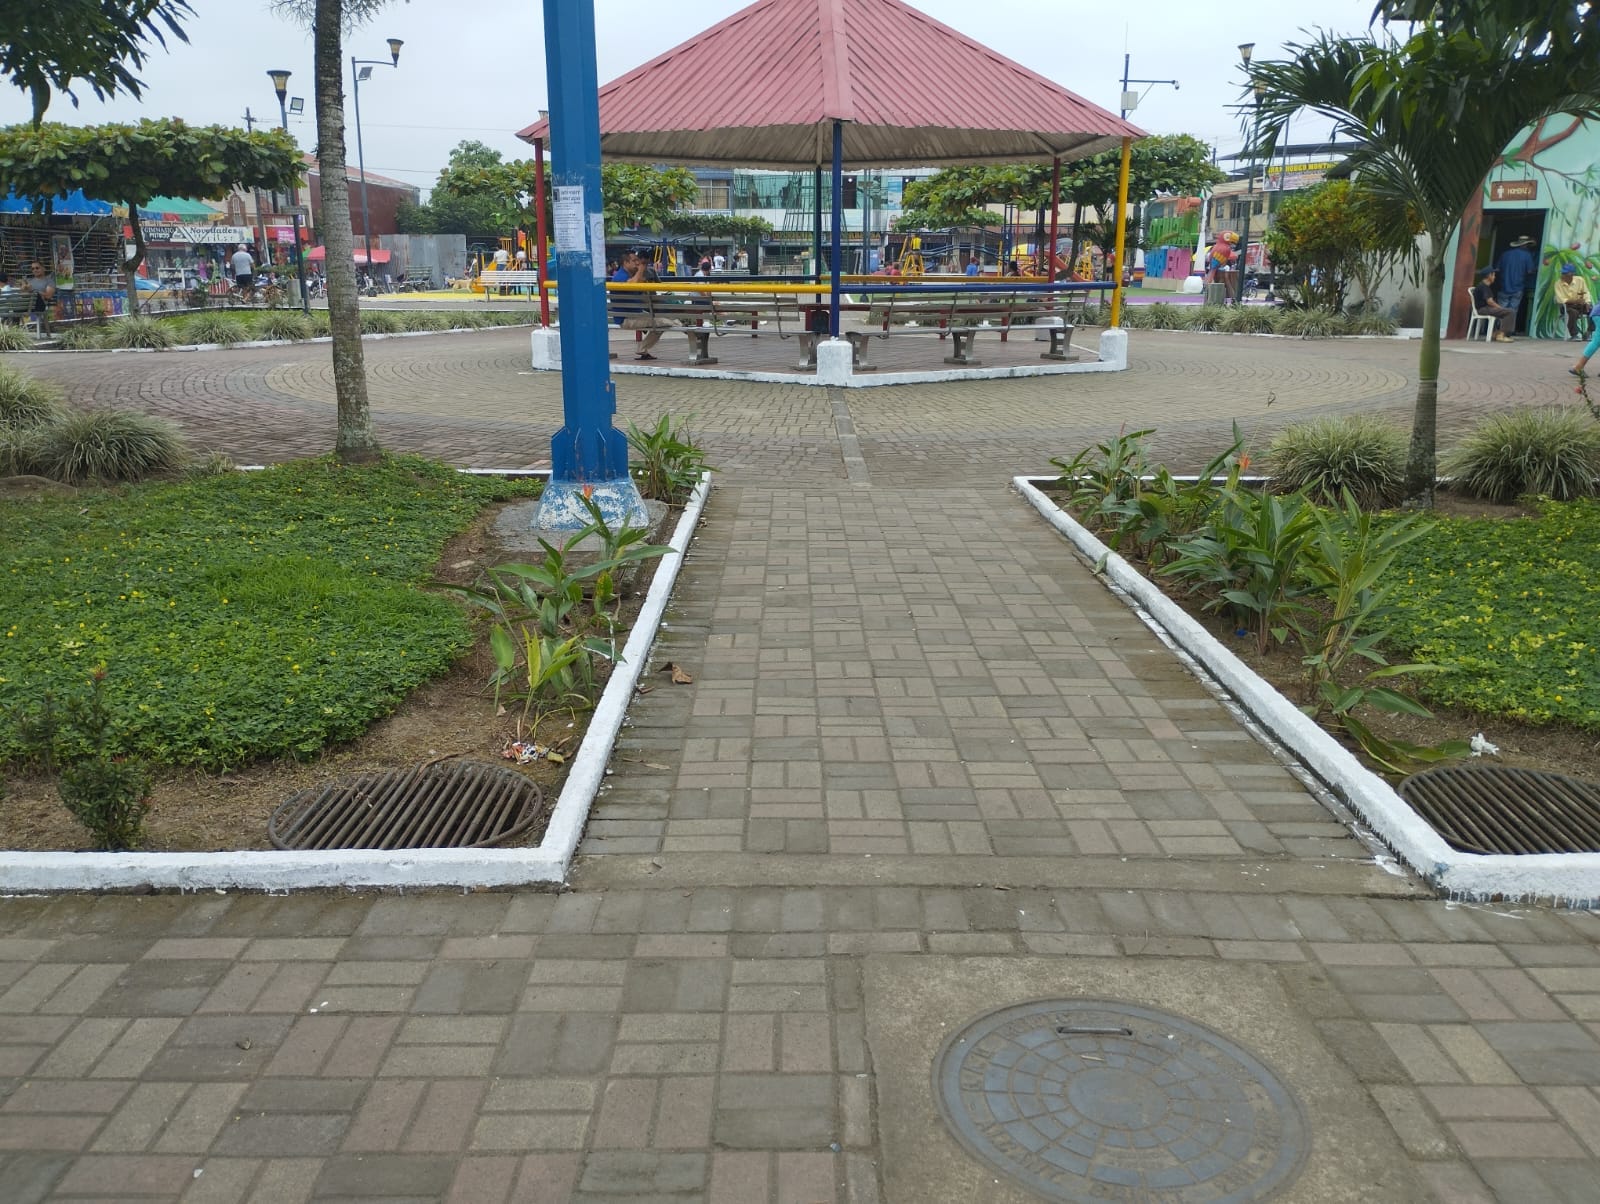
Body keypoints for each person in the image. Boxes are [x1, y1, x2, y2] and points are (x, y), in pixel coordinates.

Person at [1495, 234, 1536, 331]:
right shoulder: (1527, 255)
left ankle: (1498, 329)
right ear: (1525, 245)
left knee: (1501, 309)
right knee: (1512, 311)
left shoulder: (1505, 254)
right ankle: (1508, 331)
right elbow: (1530, 271)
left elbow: (1497, 269)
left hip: (1503, 286)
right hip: (1518, 287)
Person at [1472, 266, 1515, 342]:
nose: (1494, 277)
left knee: (1506, 312)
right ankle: (1501, 335)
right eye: (1493, 275)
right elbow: (1490, 301)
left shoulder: (1484, 286)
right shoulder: (1483, 287)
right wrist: (1500, 308)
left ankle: (1495, 333)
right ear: (1489, 276)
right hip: (1483, 309)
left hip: (1484, 308)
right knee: (1510, 312)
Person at [1555, 264, 1592, 340]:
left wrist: (1587, 302)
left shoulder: (1580, 280)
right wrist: (1575, 301)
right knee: (1573, 312)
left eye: (1565, 273)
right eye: (1562, 273)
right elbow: (1560, 299)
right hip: (1566, 306)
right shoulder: (1558, 283)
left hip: (1580, 305)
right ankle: (1574, 335)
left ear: (1572, 274)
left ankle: (1588, 332)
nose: (1563, 275)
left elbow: (1586, 292)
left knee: (1593, 310)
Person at [25, 260, 55, 325]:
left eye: (37, 268)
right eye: (32, 269)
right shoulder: (29, 281)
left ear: (43, 268)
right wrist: (24, 289)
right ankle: (12, 326)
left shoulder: (49, 281)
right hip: (27, 305)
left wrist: (34, 291)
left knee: (36, 295)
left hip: (41, 306)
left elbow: (48, 296)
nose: (35, 270)